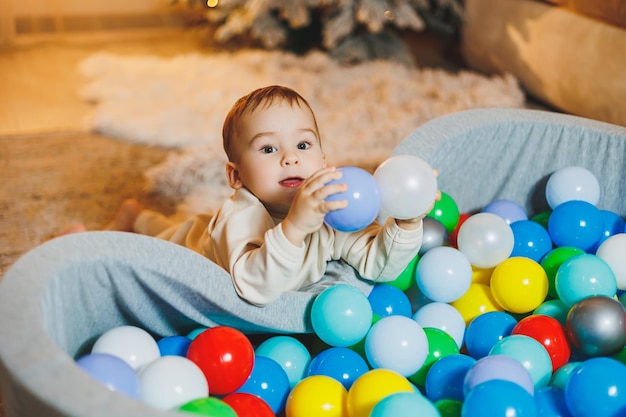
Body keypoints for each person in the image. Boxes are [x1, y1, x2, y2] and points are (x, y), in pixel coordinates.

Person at [97, 85, 436, 305]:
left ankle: (137, 215)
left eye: (303, 145)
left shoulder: (331, 210)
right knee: (148, 244)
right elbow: (253, 286)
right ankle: (127, 222)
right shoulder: (239, 217)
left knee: (164, 223)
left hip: (199, 228)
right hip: (190, 246)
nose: (290, 157)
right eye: (268, 148)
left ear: (323, 161)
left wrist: (407, 219)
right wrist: (295, 227)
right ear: (236, 175)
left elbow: (379, 265)